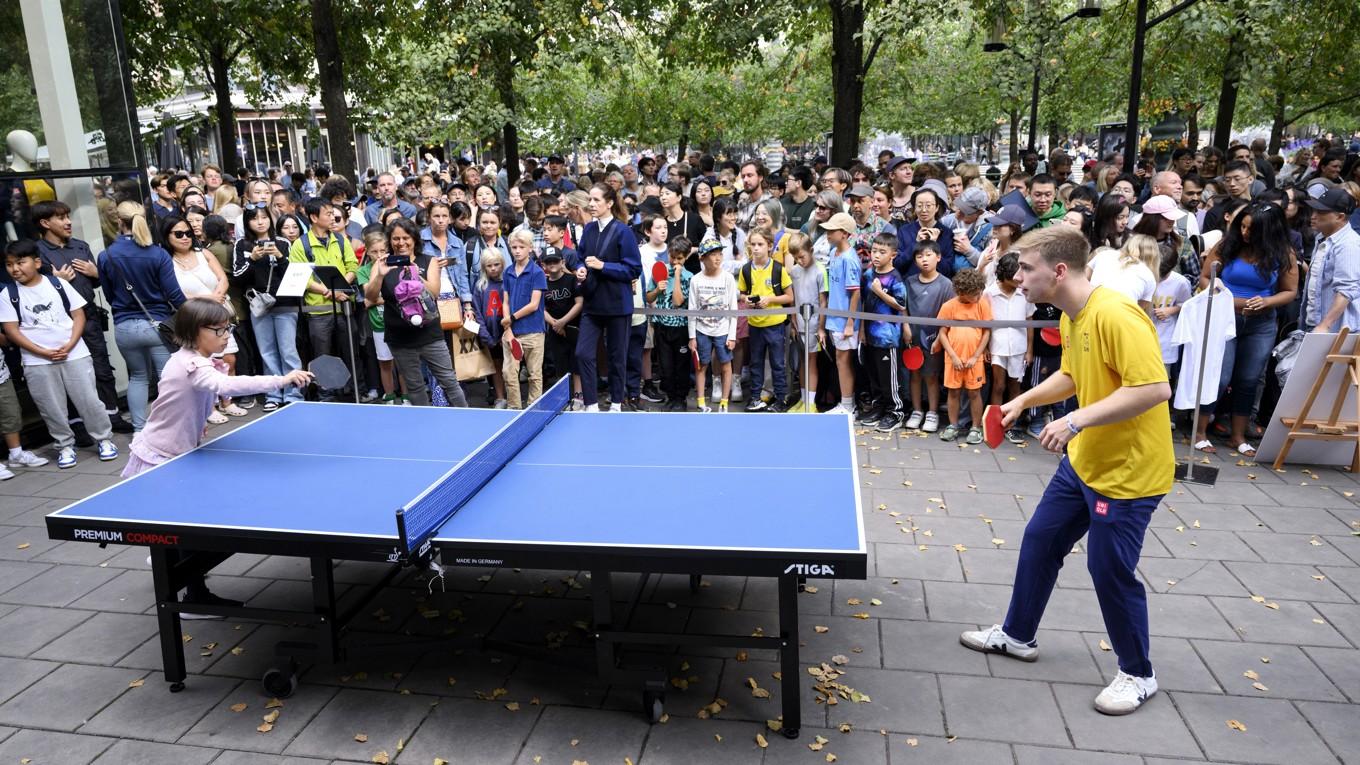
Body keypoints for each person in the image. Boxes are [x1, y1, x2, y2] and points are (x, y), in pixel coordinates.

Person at [961, 225, 1174, 717]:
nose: (1019, 277)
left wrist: (1074, 419)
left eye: (1027, 269)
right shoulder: (1074, 314)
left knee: (1108, 569)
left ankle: (1138, 674)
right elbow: (1074, 375)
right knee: (1041, 541)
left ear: (1058, 271)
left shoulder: (1115, 314)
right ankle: (1017, 635)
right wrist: (1022, 400)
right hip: (1085, 462)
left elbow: (1153, 388)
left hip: (1128, 473)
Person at [124, 297, 312, 610]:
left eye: (228, 329)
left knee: (187, 524)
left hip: (179, 450)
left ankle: (174, 562)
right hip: (162, 457)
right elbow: (228, 385)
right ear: (195, 331)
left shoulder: (190, 358)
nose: (226, 336)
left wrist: (196, 426)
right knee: (185, 527)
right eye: (220, 330)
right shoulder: (193, 365)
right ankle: (189, 595)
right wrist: (282, 379)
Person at [1, 240, 117, 468]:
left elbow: (79, 315)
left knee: (89, 400)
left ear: (36, 262)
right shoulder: (8, 294)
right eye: (9, 264)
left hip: (74, 354)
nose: (15, 269)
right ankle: (64, 445)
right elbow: (11, 331)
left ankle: (104, 439)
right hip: (36, 361)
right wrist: (42, 351)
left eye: (20, 262)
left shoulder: (57, 284)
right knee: (51, 406)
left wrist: (70, 344)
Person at [1194, 202, 1298, 455]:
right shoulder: (1228, 246)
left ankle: (1237, 436)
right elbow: (1205, 277)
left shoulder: (1283, 254)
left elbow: (1290, 292)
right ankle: (1200, 431)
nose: (1244, 232)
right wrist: (1221, 292)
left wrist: (1267, 301)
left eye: (1250, 229)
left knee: (1249, 378)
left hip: (1261, 322)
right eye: (1241, 226)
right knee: (1220, 376)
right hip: (1224, 317)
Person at [31, 201, 128, 431]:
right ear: (45, 223)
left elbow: (96, 281)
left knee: (101, 366)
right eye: (61, 218)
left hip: (89, 317)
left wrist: (97, 273)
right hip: (59, 324)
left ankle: (112, 416)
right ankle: (78, 426)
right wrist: (56, 282)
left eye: (68, 216)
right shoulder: (37, 253)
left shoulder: (81, 246)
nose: (68, 222)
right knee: (68, 374)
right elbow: (33, 290)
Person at [99, 201, 188, 430]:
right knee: (166, 378)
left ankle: (139, 430)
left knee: (138, 377)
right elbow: (174, 294)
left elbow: (109, 295)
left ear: (119, 221)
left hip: (125, 326)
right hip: (157, 323)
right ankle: (172, 426)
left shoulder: (106, 255)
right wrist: (192, 316)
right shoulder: (158, 254)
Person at [364, 218, 468, 408]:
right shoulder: (382, 264)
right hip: (400, 338)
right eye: (396, 238)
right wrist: (379, 274)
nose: (401, 243)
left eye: (406, 237)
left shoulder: (428, 261)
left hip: (430, 335)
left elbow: (434, 293)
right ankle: (426, 426)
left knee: (449, 382)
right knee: (415, 387)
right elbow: (370, 296)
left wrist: (416, 275)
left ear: (414, 239)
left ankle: (466, 418)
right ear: (390, 240)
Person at [574, 183, 642, 412]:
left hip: (617, 305)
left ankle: (615, 403)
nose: (591, 204)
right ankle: (591, 404)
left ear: (609, 203)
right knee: (582, 353)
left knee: (617, 357)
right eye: (589, 200)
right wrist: (580, 269)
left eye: (596, 200)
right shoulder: (589, 229)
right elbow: (579, 257)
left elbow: (633, 269)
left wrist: (604, 266)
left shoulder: (624, 231)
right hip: (592, 303)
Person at [292, 198, 361, 400]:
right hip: (318, 312)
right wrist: (327, 291)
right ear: (314, 217)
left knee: (349, 351)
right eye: (328, 214)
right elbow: (301, 276)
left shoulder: (340, 240)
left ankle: (351, 391)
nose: (333, 217)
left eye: (333, 213)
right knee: (322, 356)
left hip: (343, 307)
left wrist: (339, 287)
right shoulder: (301, 244)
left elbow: (352, 267)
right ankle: (326, 395)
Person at [736, 227, 793, 412]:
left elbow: (789, 297)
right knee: (755, 363)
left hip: (775, 325)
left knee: (777, 363)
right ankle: (755, 397)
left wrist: (770, 300)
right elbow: (743, 294)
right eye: (753, 244)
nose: (756, 248)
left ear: (770, 246)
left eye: (760, 244)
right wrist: (748, 302)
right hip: (755, 324)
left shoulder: (778, 269)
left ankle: (780, 399)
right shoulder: (746, 270)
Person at [856, 232, 908, 431]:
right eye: (874, 251)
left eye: (882, 252)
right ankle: (878, 407)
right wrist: (861, 331)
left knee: (889, 378)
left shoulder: (895, 278)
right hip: (870, 334)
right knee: (875, 376)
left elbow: (901, 304)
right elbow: (864, 303)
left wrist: (880, 292)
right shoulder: (868, 274)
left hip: (887, 336)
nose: (876, 255)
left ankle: (896, 411)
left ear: (893, 255)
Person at [934, 268, 991, 444]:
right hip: (953, 360)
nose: (979, 296)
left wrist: (976, 355)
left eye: (980, 292)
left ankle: (975, 427)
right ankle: (953, 425)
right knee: (953, 392)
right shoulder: (949, 306)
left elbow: (986, 332)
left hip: (975, 360)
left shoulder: (981, 304)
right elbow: (942, 333)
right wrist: (953, 356)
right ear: (962, 293)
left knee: (975, 393)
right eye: (975, 294)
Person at [904, 241, 953, 432]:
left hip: (933, 337)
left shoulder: (946, 284)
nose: (924, 260)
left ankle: (932, 413)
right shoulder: (909, 282)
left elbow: (949, 315)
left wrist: (941, 338)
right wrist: (906, 327)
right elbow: (903, 307)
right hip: (912, 337)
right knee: (914, 375)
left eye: (929, 255)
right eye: (919, 256)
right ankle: (917, 411)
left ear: (938, 257)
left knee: (931, 376)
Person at [353, 231, 407, 404]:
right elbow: (368, 301)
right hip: (378, 323)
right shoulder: (363, 271)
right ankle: (389, 395)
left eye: (382, 251)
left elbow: (402, 294)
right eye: (374, 252)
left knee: (402, 362)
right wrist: (378, 277)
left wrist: (380, 298)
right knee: (385, 362)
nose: (379, 255)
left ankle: (406, 396)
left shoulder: (395, 265)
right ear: (367, 251)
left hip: (399, 322)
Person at [986, 253, 1033, 443]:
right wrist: (985, 348)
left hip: (1019, 346)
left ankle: (1012, 425)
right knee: (998, 385)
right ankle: (994, 424)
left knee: (1016, 385)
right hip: (997, 345)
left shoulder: (1025, 293)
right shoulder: (989, 293)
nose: (1020, 278)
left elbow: (1029, 321)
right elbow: (985, 322)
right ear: (1005, 275)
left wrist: (1030, 349)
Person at [689, 238, 738, 413]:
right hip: (701, 330)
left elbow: (733, 308)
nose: (717, 258)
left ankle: (724, 401)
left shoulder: (728, 278)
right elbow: (692, 309)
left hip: (723, 330)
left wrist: (732, 336)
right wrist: (692, 337)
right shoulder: (696, 280)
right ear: (702, 258)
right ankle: (701, 401)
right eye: (713, 255)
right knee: (702, 365)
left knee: (725, 365)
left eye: (719, 254)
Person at [500, 230, 547, 409]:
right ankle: (514, 408)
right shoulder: (508, 272)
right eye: (514, 247)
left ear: (530, 248)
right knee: (509, 373)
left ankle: (535, 409)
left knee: (534, 374)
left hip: (534, 331)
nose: (517, 251)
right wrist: (507, 326)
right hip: (512, 332)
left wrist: (511, 318)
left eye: (522, 247)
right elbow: (505, 301)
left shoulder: (537, 272)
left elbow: (534, 305)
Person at [1303, 187, 1360, 332]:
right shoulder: (1322, 237)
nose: (1313, 216)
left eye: (1321, 212)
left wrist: (1325, 325)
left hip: (1334, 330)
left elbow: (1346, 289)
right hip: (1314, 322)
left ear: (1340, 217)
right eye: (1314, 210)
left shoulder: (1348, 244)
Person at [822, 212, 861, 415]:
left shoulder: (850, 259)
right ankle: (845, 403)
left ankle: (848, 406)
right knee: (839, 359)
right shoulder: (833, 253)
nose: (827, 234)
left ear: (844, 234)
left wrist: (850, 322)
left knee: (844, 360)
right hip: (833, 318)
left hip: (844, 321)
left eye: (832, 230)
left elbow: (855, 292)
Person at [647, 237, 693, 410]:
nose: (675, 261)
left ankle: (681, 399)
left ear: (686, 257)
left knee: (680, 365)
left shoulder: (689, 277)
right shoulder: (659, 271)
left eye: (679, 258)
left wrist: (678, 274)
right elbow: (648, 297)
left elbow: (677, 301)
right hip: (662, 326)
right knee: (665, 366)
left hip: (681, 328)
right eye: (672, 257)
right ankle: (670, 396)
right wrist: (658, 289)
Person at [786, 232, 826, 412]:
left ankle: (811, 402)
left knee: (811, 361)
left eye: (801, 256)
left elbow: (823, 301)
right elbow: (794, 299)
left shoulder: (820, 270)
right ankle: (803, 399)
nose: (799, 261)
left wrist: (821, 328)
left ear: (811, 250)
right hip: (799, 325)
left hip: (814, 325)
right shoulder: (794, 271)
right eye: (795, 258)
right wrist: (793, 319)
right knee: (802, 361)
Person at [542, 248, 583, 404]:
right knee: (560, 363)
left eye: (555, 261)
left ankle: (578, 394)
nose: (552, 264)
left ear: (563, 262)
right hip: (554, 330)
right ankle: (564, 395)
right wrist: (554, 324)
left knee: (575, 361)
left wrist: (563, 322)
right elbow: (542, 309)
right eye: (548, 262)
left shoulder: (571, 280)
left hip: (573, 327)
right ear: (543, 264)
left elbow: (579, 303)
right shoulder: (543, 284)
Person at [473, 248, 508, 408]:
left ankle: (513, 395)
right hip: (490, 335)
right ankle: (500, 397)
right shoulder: (480, 286)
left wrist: (507, 332)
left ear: (502, 264)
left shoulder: (507, 283)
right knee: (496, 367)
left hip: (507, 334)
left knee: (511, 367)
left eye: (496, 264)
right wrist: (485, 335)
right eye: (489, 266)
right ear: (484, 267)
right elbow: (477, 313)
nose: (493, 268)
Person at [1088, 235, 1159, 314]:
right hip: (1118, 316)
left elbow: (1083, 278)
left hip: (1090, 306)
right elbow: (1137, 309)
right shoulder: (1149, 276)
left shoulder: (1105, 254)